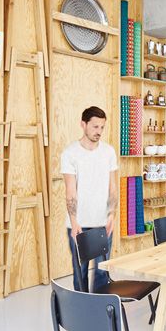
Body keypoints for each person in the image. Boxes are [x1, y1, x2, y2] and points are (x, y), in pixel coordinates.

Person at [61, 106, 118, 292]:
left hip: (104, 223)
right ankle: (83, 316)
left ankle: (101, 312)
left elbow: (112, 188)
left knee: (102, 272)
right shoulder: (70, 153)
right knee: (80, 273)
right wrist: (74, 222)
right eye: (95, 127)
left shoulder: (109, 152)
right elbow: (70, 191)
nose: (99, 132)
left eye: (102, 127)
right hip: (80, 224)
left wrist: (111, 215)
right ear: (83, 124)